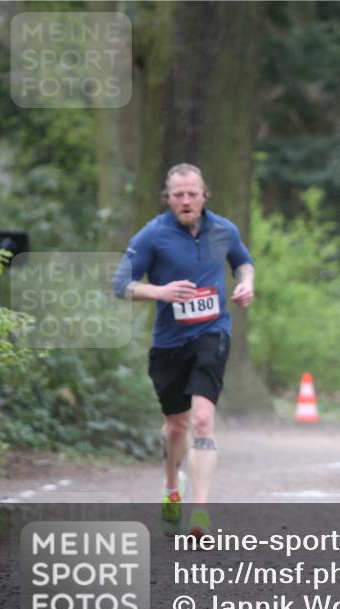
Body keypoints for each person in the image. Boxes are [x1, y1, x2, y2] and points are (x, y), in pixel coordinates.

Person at [113, 163, 254, 538]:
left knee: (203, 419)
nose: (187, 200)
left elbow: (242, 262)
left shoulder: (224, 229)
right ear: (168, 198)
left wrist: (245, 284)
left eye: (193, 193)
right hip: (169, 343)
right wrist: (159, 291)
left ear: (204, 194)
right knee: (176, 425)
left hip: (213, 333)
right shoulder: (152, 235)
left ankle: (201, 511)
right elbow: (120, 284)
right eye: (179, 194)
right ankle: (172, 486)